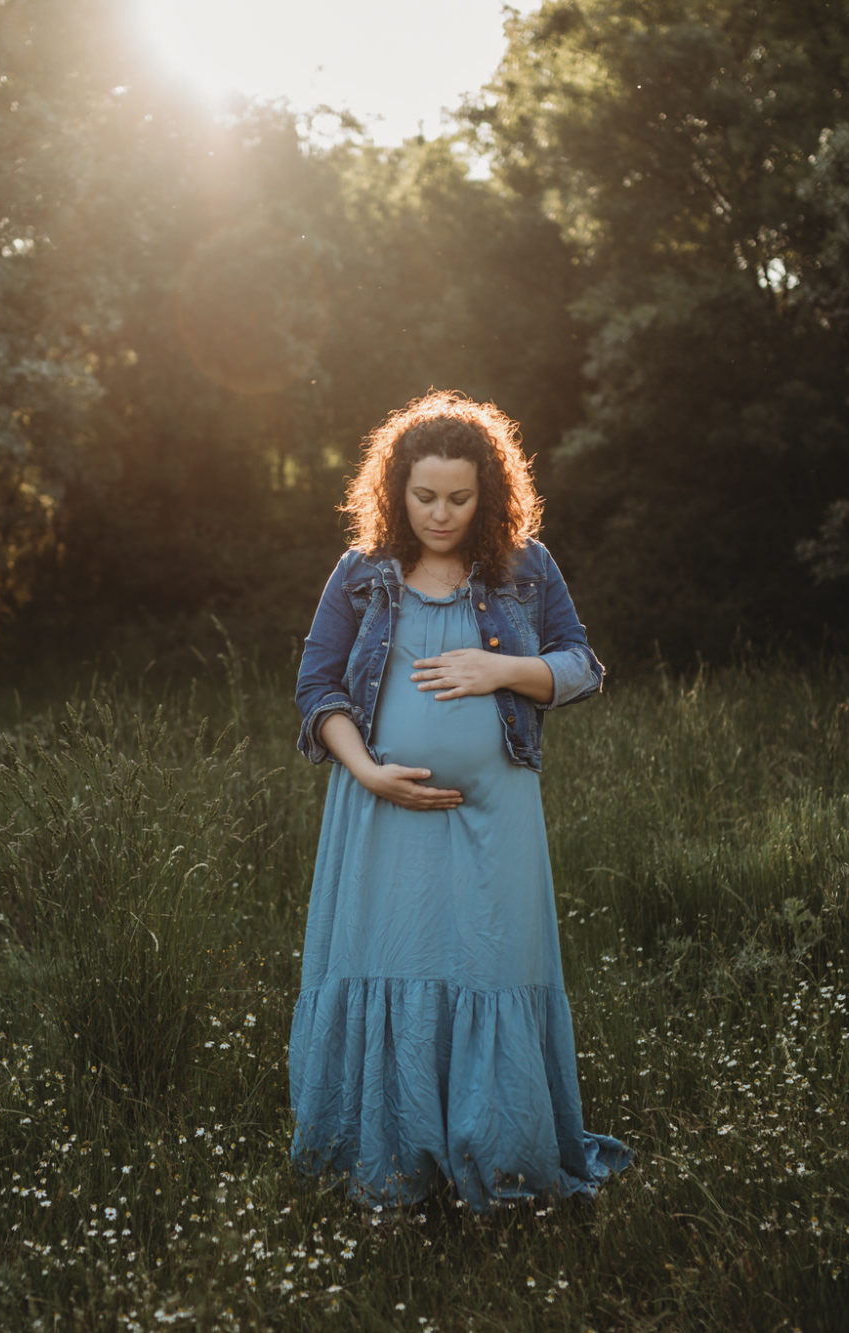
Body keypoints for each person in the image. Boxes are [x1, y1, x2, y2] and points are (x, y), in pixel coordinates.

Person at [288, 389, 631, 1211]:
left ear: (490, 493)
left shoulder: (525, 568)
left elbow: (582, 665)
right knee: (396, 962)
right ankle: (397, 1159)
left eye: (460, 497)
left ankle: (502, 1152)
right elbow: (316, 688)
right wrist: (368, 772)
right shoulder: (361, 571)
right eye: (424, 495)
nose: (441, 514)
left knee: (491, 964)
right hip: (378, 809)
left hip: (496, 811)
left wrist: (502, 670)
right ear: (396, 490)